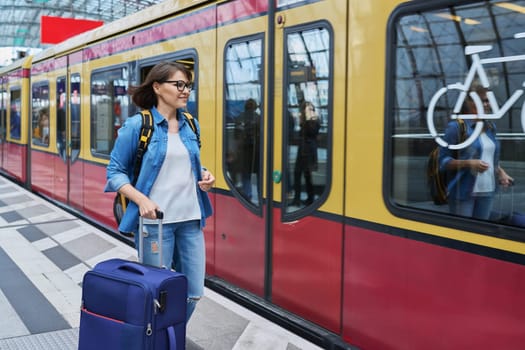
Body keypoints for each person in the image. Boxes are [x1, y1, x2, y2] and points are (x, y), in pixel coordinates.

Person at [104, 61, 215, 322]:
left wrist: (205, 175)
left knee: (194, 292)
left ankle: (169, 336)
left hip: (190, 219)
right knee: (158, 295)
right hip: (156, 224)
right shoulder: (137, 126)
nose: (185, 90)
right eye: (178, 84)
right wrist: (141, 199)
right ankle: (156, 340)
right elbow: (115, 171)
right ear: (157, 87)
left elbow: (186, 163)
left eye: (188, 85)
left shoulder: (191, 124)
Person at [439, 85, 513, 220]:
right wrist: (469, 163)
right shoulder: (456, 127)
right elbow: (443, 162)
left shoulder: (490, 126)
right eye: (483, 100)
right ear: (470, 102)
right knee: (463, 234)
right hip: (464, 192)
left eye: (489, 101)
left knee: (481, 232)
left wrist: (501, 172)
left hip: (488, 190)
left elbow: (489, 157)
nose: (487, 104)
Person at [291, 101, 321, 206]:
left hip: (308, 150)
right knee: (298, 174)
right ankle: (298, 198)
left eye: (309, 109)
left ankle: (309, 198)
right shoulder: (306, 120)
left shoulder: (314, 120)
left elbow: (312, 132)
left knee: (306, 175)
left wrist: (308, 118)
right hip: (303, 149)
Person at [234, 98, 260, 201]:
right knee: (259, 174)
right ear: (255, 107)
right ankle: (261, 195)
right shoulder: (259, 118)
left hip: (244, 151)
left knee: (246, 175)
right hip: (257, 150)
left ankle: (248, 195)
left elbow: (236, 137)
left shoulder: (239, 118)